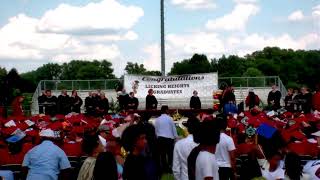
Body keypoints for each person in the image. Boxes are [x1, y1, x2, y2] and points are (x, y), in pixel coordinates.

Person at [155, 105, 178, 173]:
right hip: (169, 139)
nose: (168, 111)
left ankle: (165, 169)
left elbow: (156, 130)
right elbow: (173, 128)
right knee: (170, 154)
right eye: (168, 110)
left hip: (160, 139)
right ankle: (170, 168)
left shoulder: (158, 119)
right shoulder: (169, 118)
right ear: (166, 110)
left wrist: (157, 137)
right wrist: (176, 137)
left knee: (163, 155)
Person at [215, 115, 237, 180]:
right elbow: (232, 157)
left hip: (214, 167)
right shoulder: (228, 139)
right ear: (225, 127)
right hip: (226, 168)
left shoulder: (212, 138)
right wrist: (234, 172)